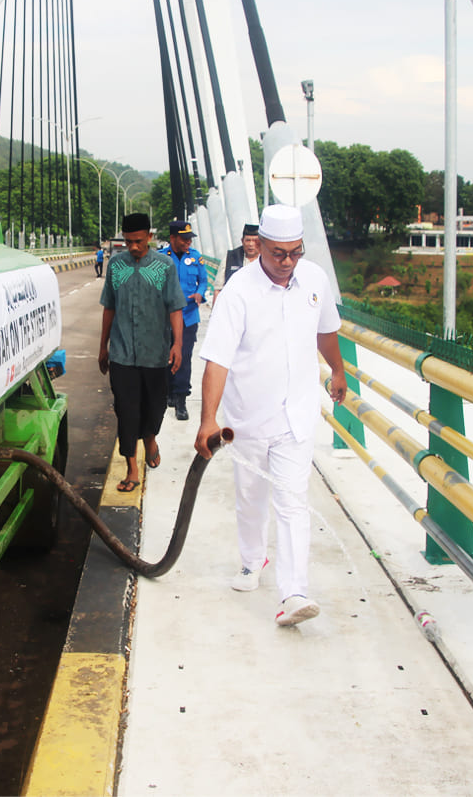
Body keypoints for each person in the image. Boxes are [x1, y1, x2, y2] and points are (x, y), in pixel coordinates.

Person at [194, 204, 348, 627]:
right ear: (259, 245)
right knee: (250, 498)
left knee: (292, 502)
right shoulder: (238, 293)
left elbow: (325, 330)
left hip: (297, 415)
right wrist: (208, 420)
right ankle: (251, 560)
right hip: (247, 418)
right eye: (278, 253)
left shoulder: (314, 279)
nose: (287, 262)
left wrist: (337, 369)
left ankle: (294, 592)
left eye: (295, 252)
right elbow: (217, 361)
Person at [99, 213, 185, 492]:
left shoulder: (164, 266)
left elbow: (175, 307)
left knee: (156, 406)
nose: (133, 247)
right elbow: (109, 307)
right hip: (122, 353)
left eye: (138, 241)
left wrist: (177, 345)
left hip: (155, 353)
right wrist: (103, 347)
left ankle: (150, 438)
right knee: (126, 410)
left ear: (149, 237)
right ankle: (132, 468)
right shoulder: (116, 266)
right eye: (128, 242)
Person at [161, 220, 209, 420]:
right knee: (164, 357)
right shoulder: (160, 258)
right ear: (173, 238)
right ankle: (167, 393)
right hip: (163, 318)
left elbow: (204, 281)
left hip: (188, 316)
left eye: (190, 239)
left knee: (184, 357)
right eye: (184, 239)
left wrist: (199, 294)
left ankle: (181, 400)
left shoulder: (196, 258)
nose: (188, 242)